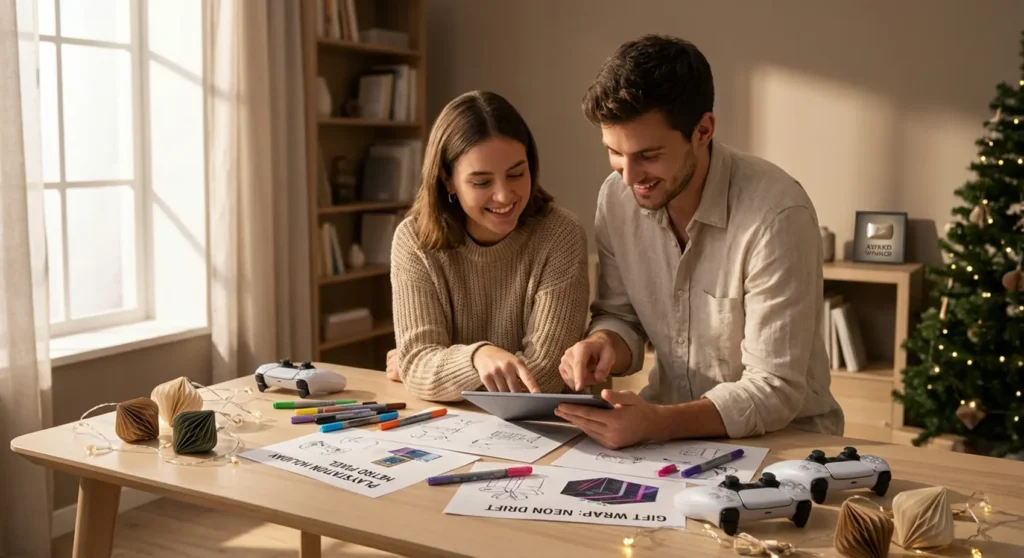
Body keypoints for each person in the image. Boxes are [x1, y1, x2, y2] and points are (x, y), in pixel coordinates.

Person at [555, 35, 844, 449]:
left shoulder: (777, 214)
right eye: (614, 152)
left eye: (648, 155)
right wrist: (603, 344)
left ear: (703, 131)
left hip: (784, 441)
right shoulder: (616, 199)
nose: (628, 176)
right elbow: (622, 317)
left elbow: (775, 387)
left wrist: (658, 423)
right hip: (663, 434)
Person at [386, 90, 590, 402]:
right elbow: (417, 365)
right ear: (448, 180)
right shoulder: (414, 241)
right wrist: (478, 357)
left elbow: (544, 377)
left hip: (547, 430)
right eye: (482, 182)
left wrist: (437, 373)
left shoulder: (560, 234)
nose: (504, 196)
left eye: (516, 174)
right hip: (453, 429)